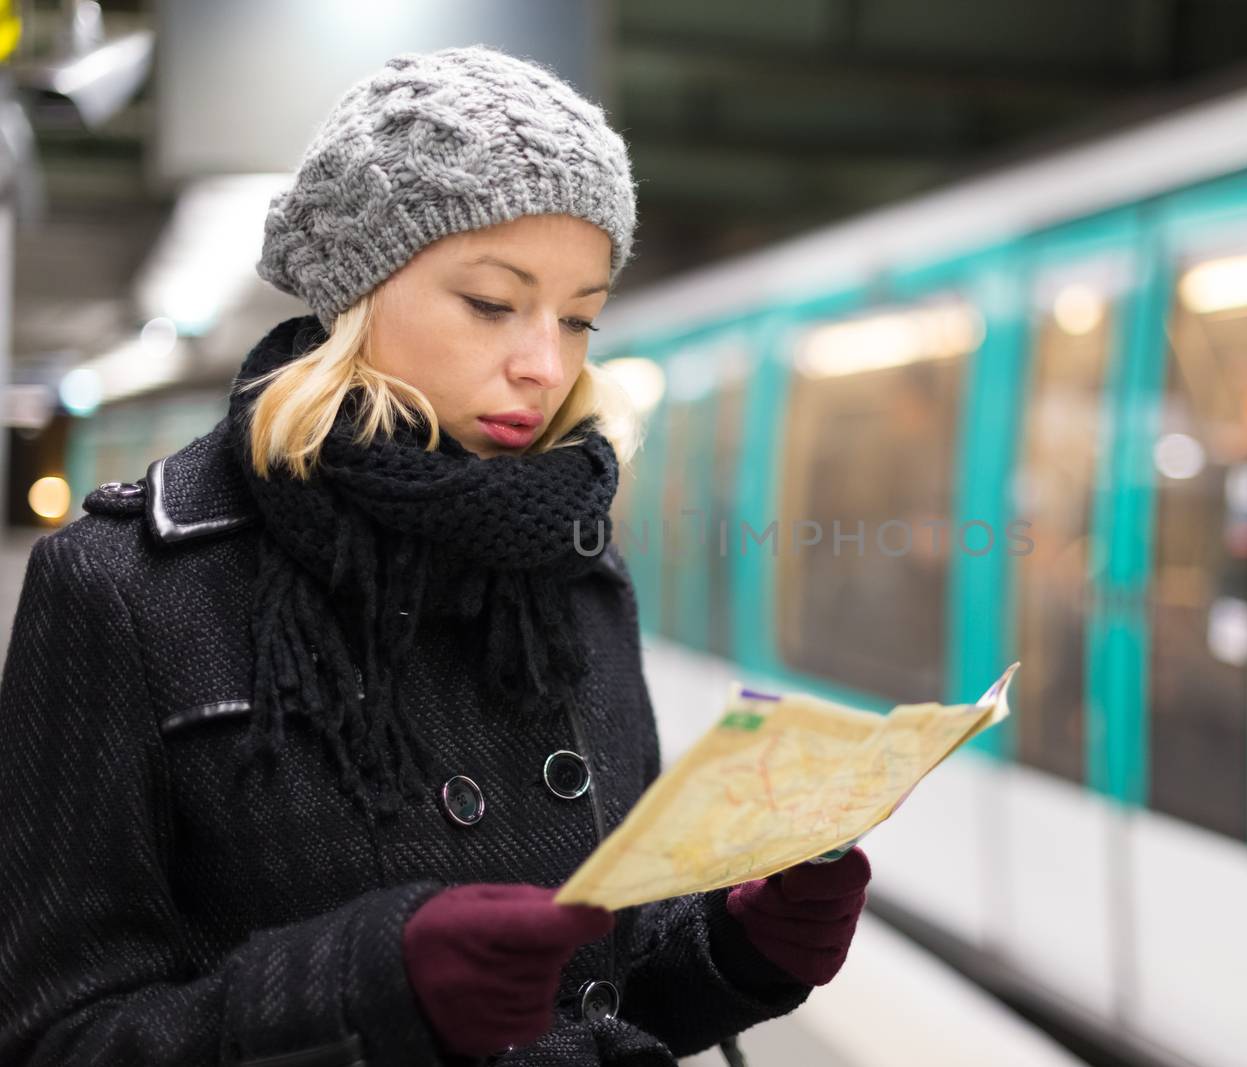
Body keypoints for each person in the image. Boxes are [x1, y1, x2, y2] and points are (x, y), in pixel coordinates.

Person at [0, 44, 871, 1067]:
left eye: (580, 317)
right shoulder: (124, 585)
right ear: (358, 291)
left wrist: (732, 947)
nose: (544, 363)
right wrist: (366, 991)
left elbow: (604, 984)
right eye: (492, 303)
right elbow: (54, 1034)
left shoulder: (574, 567)